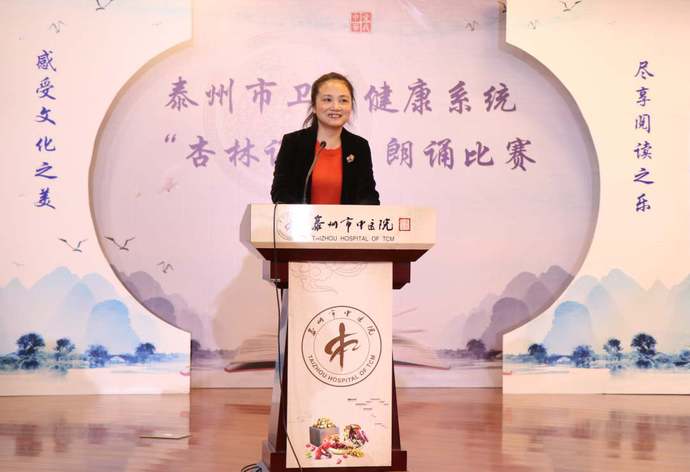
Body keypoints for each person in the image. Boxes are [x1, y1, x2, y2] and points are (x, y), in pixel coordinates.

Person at [270, 72, 380, 205]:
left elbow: (368, 195)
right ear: (314, 106)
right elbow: (280, 192)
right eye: (328, 100)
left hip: (347, 219)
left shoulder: (359, 146)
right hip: (302, 219)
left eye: (343, 100)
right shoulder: (293, 143)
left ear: (351, 106)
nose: (336, 107)